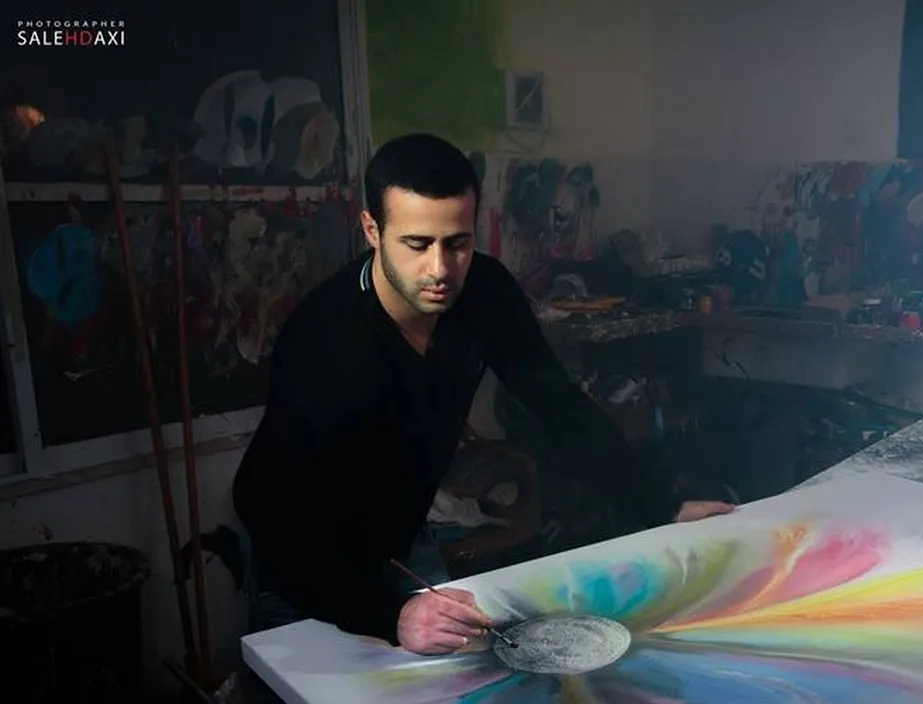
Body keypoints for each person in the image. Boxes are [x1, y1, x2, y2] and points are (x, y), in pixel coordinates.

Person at [232, 133, 734, 656]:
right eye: (417, 244)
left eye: (457, 243)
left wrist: (659, 506)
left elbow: (560, 408)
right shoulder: (324, 341)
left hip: (402, 542)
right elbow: (272, 511)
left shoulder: (485, 292)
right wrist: (389, 613)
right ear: (372, 230)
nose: (440, 270)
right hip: (303, 557)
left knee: (443, 690)